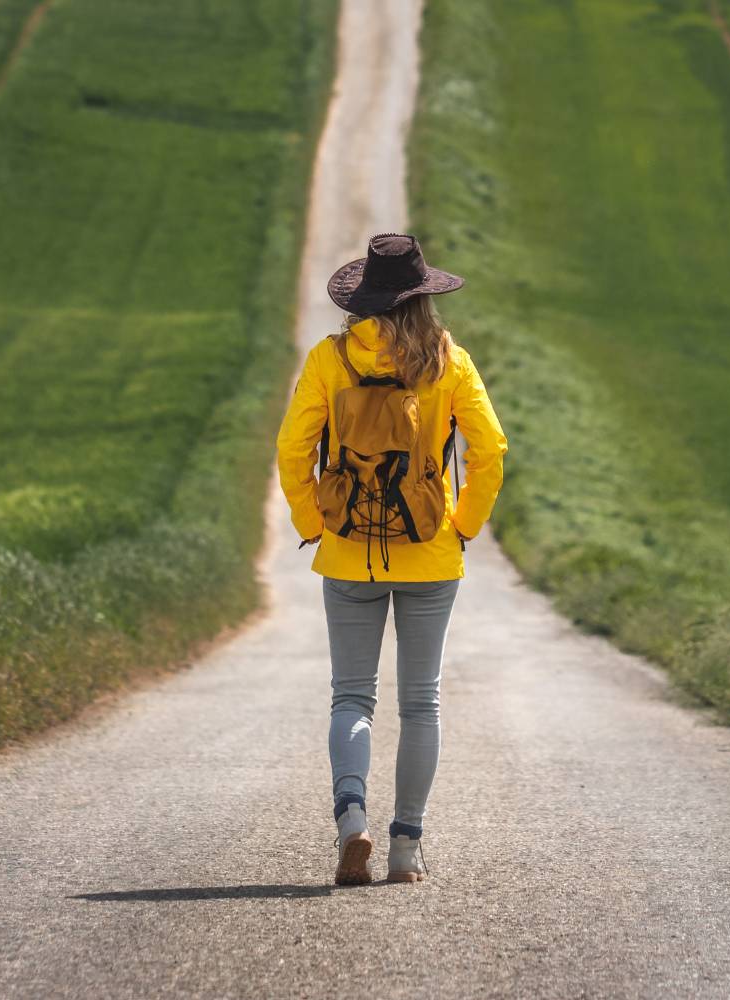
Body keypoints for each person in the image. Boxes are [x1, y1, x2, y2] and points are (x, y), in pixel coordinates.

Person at [275, 233, 507, 886]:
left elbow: (294, 449)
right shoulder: (447, 360)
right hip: (430, 552)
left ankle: (352, 820)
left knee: (352, 696)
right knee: (421, 703)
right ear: (423, 297)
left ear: (362, 300)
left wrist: (312, 523)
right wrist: (463, 525)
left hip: (348, 552)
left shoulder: (331, 359)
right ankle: (406, 846)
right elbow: (489, 451)